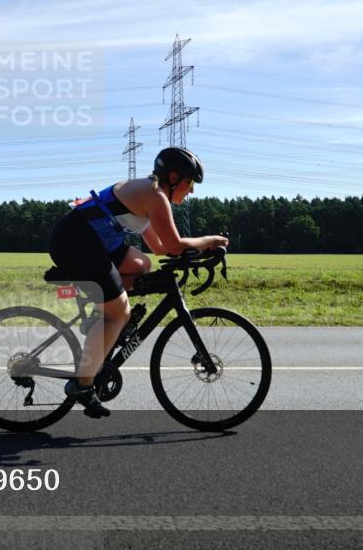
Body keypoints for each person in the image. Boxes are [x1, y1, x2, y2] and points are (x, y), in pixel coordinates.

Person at [47, 147, 230, 418]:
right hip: (76, 242)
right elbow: (174, 245)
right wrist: (210, 241)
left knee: (142, 265)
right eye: (190, 183)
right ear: (173, 177)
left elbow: (158, 249)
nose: (191, 191)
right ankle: (83, 385)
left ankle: (107, 316)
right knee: (119, 311)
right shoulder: (155, 196)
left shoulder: (151, 193)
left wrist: (197, 250)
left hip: (93, 240)